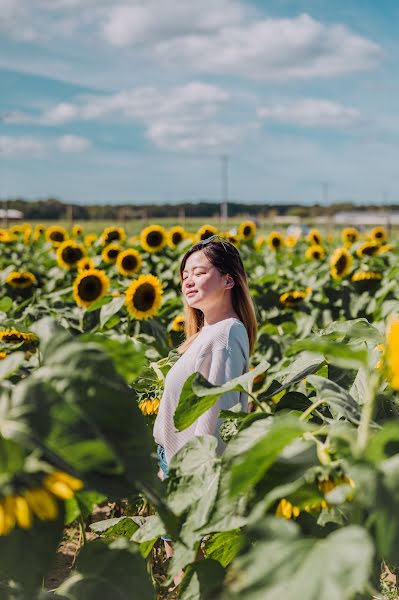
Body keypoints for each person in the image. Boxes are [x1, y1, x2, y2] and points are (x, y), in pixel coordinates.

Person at [153, 235, 257, 584]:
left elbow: (218, 409)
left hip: (191, 466)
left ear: (229, 280)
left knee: (191, 574)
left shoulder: (225, 336)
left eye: (199, 272)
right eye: (184, 274)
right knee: (185, 568)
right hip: (177, 460)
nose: (188, 280)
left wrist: (187, 475)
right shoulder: (207, 333)